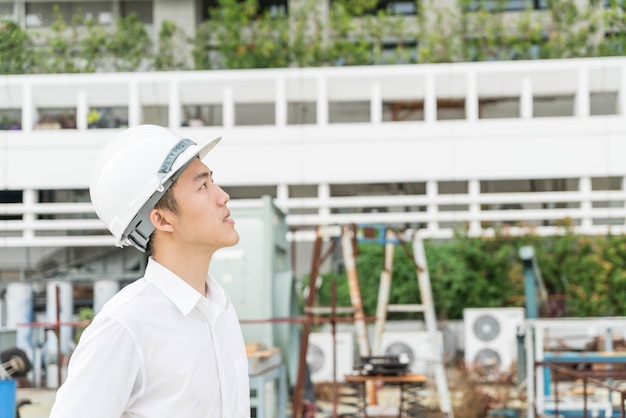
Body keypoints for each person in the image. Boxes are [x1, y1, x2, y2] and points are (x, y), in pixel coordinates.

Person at [49, 124, 251, 418]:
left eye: (213, 181)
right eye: (203, 185)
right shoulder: (125, 327)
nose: (223, 196)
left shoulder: (220, 309)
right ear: (162, 219)